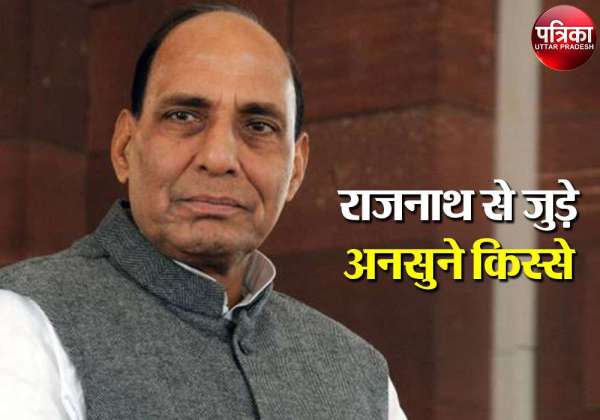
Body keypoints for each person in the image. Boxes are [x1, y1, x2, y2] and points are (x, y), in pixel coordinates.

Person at [0, 3, 407, 419]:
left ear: (296, 170)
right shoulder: (22, 324)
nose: (218, 157)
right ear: (125, 147)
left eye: (258, 126)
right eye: (183, 116)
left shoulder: (360, 375)